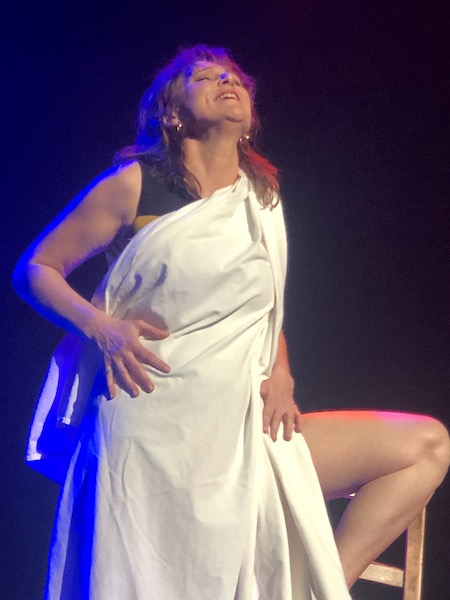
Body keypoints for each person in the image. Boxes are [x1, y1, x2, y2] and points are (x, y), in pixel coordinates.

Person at [13, 45, 449, 600]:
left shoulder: (262, 199)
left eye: (235, 77)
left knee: (424, 445)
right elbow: (36, 269)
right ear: (171, 113)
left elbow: (261, 307)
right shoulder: (135, 184)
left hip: (246, 421)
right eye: (204, 76)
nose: (227, 81)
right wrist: (101, 327)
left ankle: (318, 590)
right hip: (152, 423)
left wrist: (281, 371)